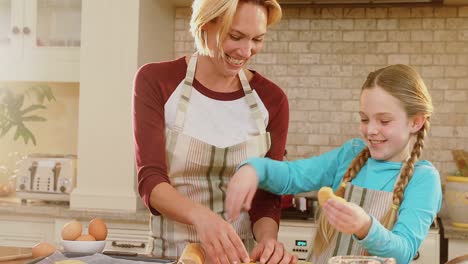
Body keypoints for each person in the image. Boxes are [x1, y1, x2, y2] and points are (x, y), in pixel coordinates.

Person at [225, 64, 442, 264]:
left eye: (384, 121)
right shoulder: (351, 154)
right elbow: (293, 175)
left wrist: (365, 227)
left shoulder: (423, 179)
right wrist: (253, 168)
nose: (371, 130)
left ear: (416, 121)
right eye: (365, 119)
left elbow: (403, 252)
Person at [132, 0, 296, 263]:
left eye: (257, 39)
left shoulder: (272, 100)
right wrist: (202, 217)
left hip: (240, 258)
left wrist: (267, 241)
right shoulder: (156, 81)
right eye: (236, 36)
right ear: (205, 24)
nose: (246, 51)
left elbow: (266, 194)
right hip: (170, 256)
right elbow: (151, 180)